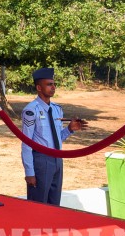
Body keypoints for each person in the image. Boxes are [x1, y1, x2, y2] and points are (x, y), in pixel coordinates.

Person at [21, 68, 87, 206]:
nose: (53, 87)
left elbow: (56, 138)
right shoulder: (31, 110)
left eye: (54, 84)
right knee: (38, 205)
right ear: (39, 88)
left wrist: (69, 129)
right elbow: (26, 143)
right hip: (41, 160)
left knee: (55, 204)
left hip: (57, 159)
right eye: (49, 84)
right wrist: (29, 172)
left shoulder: (57, 109)